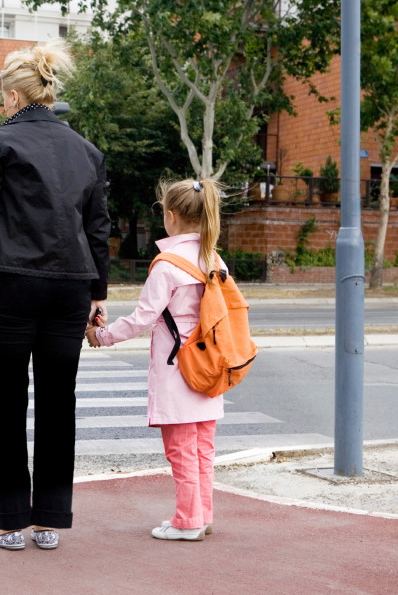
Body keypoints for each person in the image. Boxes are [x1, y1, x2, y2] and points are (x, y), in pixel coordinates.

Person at [0, 41, 110, 551]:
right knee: (57, 402)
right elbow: (97, 229)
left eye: (3, 96)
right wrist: (98, 292)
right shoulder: (87, 152)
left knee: (5, 402)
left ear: (17, 95)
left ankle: (9, 523)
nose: (2, 105)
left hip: (9, 284)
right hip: (70, 289)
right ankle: (48, 521)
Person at [86, 178, 225, 542]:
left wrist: (101, 335)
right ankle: (202, 515)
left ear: (171, 216)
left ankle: (186, 521)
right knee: (203, 448)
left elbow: (143, 318)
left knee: (180, 448)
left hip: (178, 367)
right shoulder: (214, 257)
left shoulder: (167, 265)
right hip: (210, 365)